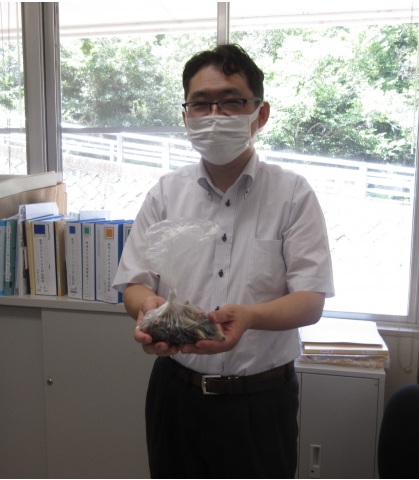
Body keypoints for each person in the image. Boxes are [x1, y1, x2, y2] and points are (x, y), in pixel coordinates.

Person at [112, 43, 334, 479]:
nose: (214, 114)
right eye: (201, 103)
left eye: (231, 101)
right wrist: (149, 310)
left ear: (260, 114)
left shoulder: (292, 195)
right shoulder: (165, 193)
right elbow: (134, 284)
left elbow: (310, 301)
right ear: (186, 117)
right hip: (176, 395)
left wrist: (249, 317)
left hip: (260, 404)